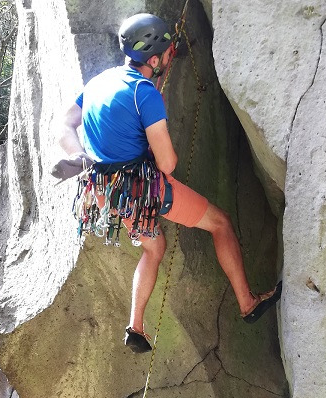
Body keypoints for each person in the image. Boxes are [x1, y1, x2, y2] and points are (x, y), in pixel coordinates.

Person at [56, 13, 281, 353]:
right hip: (143, 190)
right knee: (220, 224)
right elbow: (168, 163)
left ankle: (136, 325)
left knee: (154, 246)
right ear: (157, 56)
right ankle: (248, 303)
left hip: (106, 191)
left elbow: (66, 123)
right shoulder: (144, 93)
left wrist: (82, 156)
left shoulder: (99, 82)